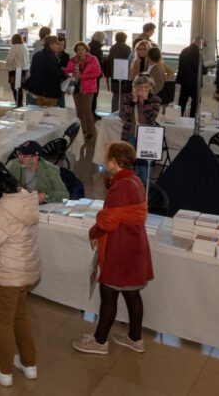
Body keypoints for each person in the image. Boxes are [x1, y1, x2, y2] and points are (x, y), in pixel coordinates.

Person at [73, 141, 153, 356]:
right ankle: (135, 339)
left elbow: (108, 221)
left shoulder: (120, 187)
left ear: (114, 162)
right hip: (134, 245)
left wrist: (94, 232)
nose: (104, 161)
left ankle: (100, 342)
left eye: (107, 158)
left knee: (108, 293)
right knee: (132, 294)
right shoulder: (135, 181)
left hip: (120, 248)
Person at [0, 160, 41, 387]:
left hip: (7, 273)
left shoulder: (2, 211)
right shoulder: (24, 196)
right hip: (27, 268)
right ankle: (29, 364)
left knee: (2, 321)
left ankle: (4, 370)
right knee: (21, 316)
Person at [120, 75, 162, 184]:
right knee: (127, 163)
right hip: (130, 135)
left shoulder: (155, 99)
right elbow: (124, 116)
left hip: (147, 138)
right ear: (134, 88)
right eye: (140, 87)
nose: (143, 90)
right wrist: (133, 102)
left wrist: (145, 102)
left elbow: (151, 118)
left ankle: (144, 189)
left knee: (144, 169)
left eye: (146, 87)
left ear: (150, 87)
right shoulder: (128, 98)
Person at [4, 140, 69, 204]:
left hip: (43, 206)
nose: (20, 158)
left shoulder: (50, 170)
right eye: (19, 154)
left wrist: (46, 196)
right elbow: (5, 184)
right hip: (23, 204)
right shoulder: (15, 165)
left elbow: (64, 195)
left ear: (35, 158)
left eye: (25, 156)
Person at [65, 41, 102, 144]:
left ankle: (91, 133)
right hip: (76, 88)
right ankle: (82, 131)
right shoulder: (73, 60)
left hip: (89, 88)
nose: (80, 51)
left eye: (82, 49)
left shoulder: (93, 59)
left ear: (86, 50)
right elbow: (67, 70)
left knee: (87, 110)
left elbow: (97, 73)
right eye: (78, 50)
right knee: (79, 111)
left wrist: (82, 76)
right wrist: (71, 73)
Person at [26, 36, 65, 107]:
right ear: (51, 45)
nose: (58, 46)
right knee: (49, 115)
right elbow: (54, 74)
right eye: (57, 44)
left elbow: (32, 71)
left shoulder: (37, 55)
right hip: (49, 93)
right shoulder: (51, 57)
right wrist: (63, 71)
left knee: (37, 114)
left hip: (37, 91)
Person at [175, 36, 206, 118]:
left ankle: (179, 116)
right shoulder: (198, 52)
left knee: (182, 100)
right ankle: (192, 117)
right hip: (194, 81)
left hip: (184, 80)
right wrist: (205, 69)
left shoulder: (184, 50)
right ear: (200, 43)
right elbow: (198, 68)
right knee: (196, 101)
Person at [105, 31, 132, 113]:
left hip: (114, 73)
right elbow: (129, 62)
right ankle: (121, 112)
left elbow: (110, 60)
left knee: (116, 95)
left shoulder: (112, 48)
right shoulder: (127, 48)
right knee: (123, 94)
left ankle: (113, 111)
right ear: (125, 39)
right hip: (124, 74)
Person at [5, 33, 30, 108]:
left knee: (14, 88)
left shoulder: (14, 47)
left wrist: (8, 65)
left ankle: (18, 104)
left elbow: (9, 59)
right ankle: (20, 104)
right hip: (23, 70)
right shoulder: (24, 47)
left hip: (15, 71)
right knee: (20, 88)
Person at [88, 32, 106, 118]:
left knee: (90, 94)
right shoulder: (97, 49)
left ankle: (90, 111)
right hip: (94, 75)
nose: (104, 40)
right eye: (103, 39)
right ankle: (92, 112)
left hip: (88, 75)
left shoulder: (89, 46)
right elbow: (98, 63)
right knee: (94, 94)